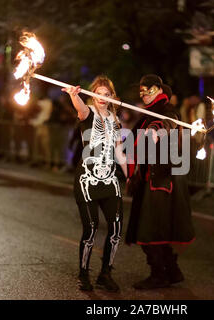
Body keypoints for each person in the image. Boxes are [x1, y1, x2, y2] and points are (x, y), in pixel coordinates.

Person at [125, 74, 195, 290]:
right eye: (141, 90)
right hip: (150, 178)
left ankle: (158, 274)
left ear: (159, 89)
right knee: (154, 227)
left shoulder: (167, 110)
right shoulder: (147, 114)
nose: (143, 93)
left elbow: (167, 123)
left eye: (148, 89)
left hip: (161, 181)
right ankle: (172, 271)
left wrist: (156, 131)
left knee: (151, 229)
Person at [62, 76, 127, 292]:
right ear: (92, 95)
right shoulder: (88, 112)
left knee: (116, 228)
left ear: (111, 97)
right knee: (90, 228)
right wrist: (74, 95)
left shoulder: (116, 121)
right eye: (99, 93)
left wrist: (131, 176)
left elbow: (119, 152)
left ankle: (106, 273)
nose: (103, 97)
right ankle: (83, 273)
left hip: (110, 180)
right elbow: (80, 108)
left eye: (107, 94)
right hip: (87, 179)